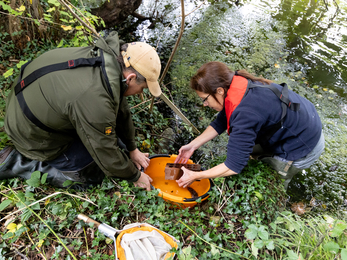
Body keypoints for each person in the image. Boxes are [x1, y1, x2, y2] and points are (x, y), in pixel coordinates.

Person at [0, 32, 161, 191]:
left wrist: (132, 148)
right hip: (30, 132)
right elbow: (104, 151)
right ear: (131, 78)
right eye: (142, 88)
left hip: (30, 102)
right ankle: (17, 163)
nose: (140, 93)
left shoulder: (107, 60)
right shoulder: (94, 97)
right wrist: (135, 176)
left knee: (114, 140)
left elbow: (120, 108)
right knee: (91, 176)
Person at [175, 61, 325, 189]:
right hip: (303, 120)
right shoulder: (236, 84)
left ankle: (279, 205)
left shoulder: (245, 114)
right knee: (249, 150)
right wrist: (193, 146)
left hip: (304, 145)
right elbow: (223, 119)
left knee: (275, 180)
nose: (205, 104)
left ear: (220, 91)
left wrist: (197, 175)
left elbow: (233, 166)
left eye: (205, 99)